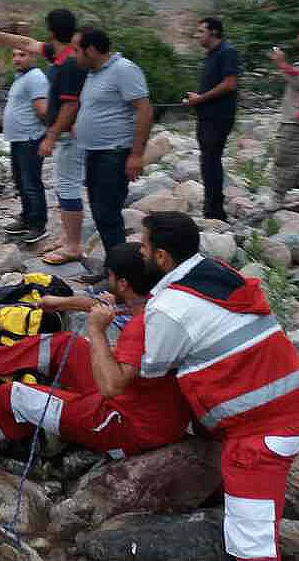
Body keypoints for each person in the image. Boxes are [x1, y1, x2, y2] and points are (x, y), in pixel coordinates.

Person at [0, 242, 192, 462]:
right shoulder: (155, 301)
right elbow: (104, 305)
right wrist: (58, 303)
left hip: (126, 425)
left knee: (14, 397)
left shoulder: (141, 326)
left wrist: (97, 330)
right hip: (139, 403)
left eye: (110, 277)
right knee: (65, 343)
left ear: (123, 283)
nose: (107, 282)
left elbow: (110, 385)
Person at [138, 211, 299, 561]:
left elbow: (153, 369)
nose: (140, 252)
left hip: (259, 435)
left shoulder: (169, 307)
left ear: (162, 256)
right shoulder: (219, 273)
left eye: (144, 245)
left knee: (252, 547)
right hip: (287, 401)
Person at [0, 11, 86, 267]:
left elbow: (70, 105)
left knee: (65, 188)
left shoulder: (68, 63)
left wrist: (50, 136)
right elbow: (24, 43)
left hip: (65, 136)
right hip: (58, 135)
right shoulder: (60, 56)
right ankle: (67, 238)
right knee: (59, 186)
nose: (21, 55)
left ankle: (70, 243)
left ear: (52, 32)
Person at [75, 28, 153, 281]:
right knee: (100, 213)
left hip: (114, 153)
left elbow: (144, 110)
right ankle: (113, 269)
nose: (74, 56)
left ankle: (123, 277)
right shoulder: (93, 74)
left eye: (77, 50)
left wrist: (136, 154)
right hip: (95, 153)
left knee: (108, 214)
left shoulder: (124, 70)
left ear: (91, 50)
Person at [188, 17, 239, 221]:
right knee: (208, 161)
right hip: (207, 116)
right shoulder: (212, 55)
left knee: (211, 161)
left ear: (214, 33)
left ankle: (215, 212)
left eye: (201, 31)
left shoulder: (227, 52)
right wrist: (196, 100)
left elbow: (229, 84)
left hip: (218, 117)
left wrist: (201, 98)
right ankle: (212, 207)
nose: (197, 35)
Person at [1, 47, 50, 243]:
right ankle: (27, 217)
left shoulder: (36, 77)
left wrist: (49, 135)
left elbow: (42, 109)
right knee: (21, 181)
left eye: (22, 55)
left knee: (31, 183)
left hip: (30, 138)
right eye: (14, 55)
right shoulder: (21, 77)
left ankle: (38, 224)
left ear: (33, 56)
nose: (17, 59)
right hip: (18, 138)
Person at [269, 42, 299, 202]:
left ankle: (278, 196)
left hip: (294, 122)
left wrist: (281, 63)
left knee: (285, 155)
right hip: (293, 119)